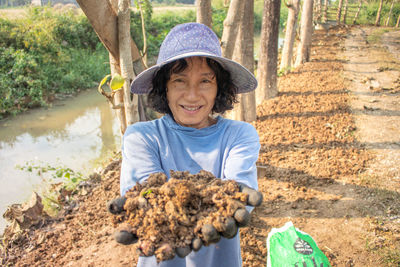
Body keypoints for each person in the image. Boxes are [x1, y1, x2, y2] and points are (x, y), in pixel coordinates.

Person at [119, 22, 260, 267]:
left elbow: (238, 194)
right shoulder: (141, 137)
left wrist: (226, 200)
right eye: (179, 81)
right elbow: (148, 193)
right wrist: (159, 211)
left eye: (205, 81)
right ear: (165, 86)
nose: (192, 95)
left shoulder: (239, 135)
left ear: (220, 88)